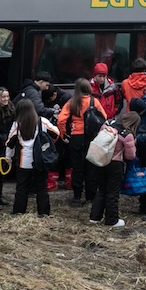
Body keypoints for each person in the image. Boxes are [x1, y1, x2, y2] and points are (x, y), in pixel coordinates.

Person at [55, 77, 107, 207]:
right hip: (91, 138)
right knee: (91, 167)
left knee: (77, 168)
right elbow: (104, 117)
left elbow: (61, 120)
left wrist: (63, 133)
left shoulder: (72, 102)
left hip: (76, 137)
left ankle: (77, 196)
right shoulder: (94, 101)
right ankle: (91, 196)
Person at [88, 111, 139, 229]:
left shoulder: (107, 125)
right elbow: (130, 156)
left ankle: (95, 217)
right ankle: (111, 219)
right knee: (113, 192)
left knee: (101, 190)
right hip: (115, 164)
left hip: (101, 160)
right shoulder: (127, 134)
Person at [7, 99, 58, 216]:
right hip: (40, 160)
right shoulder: (42, 121)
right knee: (41, 187)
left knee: (22, 188)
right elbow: (56, 133)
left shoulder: (17, 124)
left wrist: (8, 157)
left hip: (23, 162)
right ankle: (44, 212)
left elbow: (9, 143)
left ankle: (19, 211)